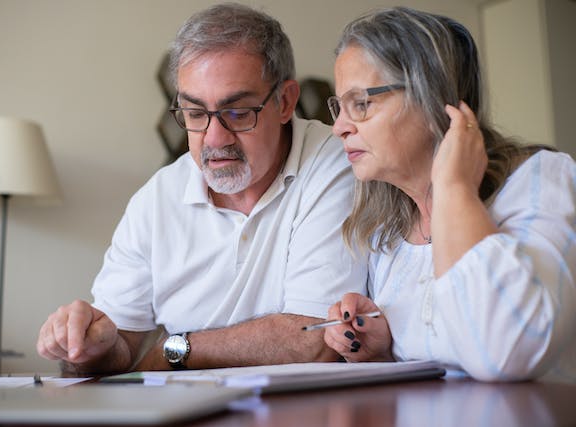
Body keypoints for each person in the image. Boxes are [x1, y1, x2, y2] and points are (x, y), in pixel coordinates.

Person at [37, 3, 363, 374]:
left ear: (285, 101)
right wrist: (84, 347)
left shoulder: (336, 162)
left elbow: (315, 336)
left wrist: (172, 351)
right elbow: (118, 350)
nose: (214, 137)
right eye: (194, 114)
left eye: (238, 112)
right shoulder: (157, 199)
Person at [323, 6, 576, 382]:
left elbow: (507, 353)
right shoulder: (386, 233)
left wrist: (454, 190)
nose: (339, 128)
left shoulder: (542, 181)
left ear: (431, 99)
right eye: (338, 106)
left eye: (360, 104)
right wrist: (384, 349)